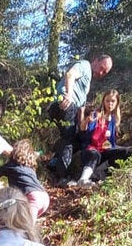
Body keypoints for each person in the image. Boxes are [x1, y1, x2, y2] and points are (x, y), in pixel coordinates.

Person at [48, 54, 113, 183]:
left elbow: (82, 107)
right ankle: (62, 177)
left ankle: (54, 162)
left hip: (71, 108)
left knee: (73, 136)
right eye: (101, 68)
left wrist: (83, 125)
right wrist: (68, 95)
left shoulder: (87, 83)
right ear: (95, 60)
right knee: (68, 138)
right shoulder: (85, 65)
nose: (101, 73)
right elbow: (70, 75)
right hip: (64, 104)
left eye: (104, 72)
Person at [71, 89, 132, 185]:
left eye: (113, 101)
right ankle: (83, 179)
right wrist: (87, 120)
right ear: (103, 101)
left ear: (117, 103)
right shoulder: (96, 114)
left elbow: (111, 142)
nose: (110, 104)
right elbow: (83, 129)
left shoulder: (113, 119)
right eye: (107, 101)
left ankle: (96, 177)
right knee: (95, 154)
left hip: (106, 149)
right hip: (91, 148)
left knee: (127, 151)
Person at [0, 138, 50, 218]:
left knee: (26, 226)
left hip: (32, 197)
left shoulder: (11, 166)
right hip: (44, 197)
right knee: (22, 223)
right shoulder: (29, 168)